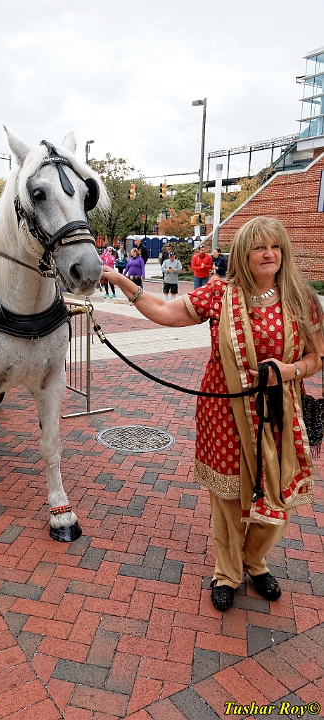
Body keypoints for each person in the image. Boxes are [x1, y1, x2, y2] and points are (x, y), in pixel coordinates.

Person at [102, 217, 324, 612]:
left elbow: (317, 357)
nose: (268, 254)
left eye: (275, 246)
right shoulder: (221, 294)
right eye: (259, 247)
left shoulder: (300, 299)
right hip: (224, 414)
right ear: (244, 254)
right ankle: (228, 573)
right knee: (228, 499)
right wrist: (122, 282)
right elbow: (165, 311)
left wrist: (289, 371)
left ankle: (254, 561)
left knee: (278, 496)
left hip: (279, 414)